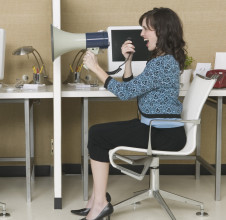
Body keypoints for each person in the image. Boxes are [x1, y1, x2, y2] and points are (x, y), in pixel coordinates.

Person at [71, 7, 187, 220]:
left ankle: (100, 204)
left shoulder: (162, 63)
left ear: (161, 31)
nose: (141, 34)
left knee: (97, 135)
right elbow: (133, 87)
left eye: (145, 29)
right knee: (97, 132)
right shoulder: (162, 60)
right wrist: (128, 60)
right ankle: (97, 199)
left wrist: (96, 68)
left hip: (162, 134)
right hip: (154, 127)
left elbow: (124, 93)